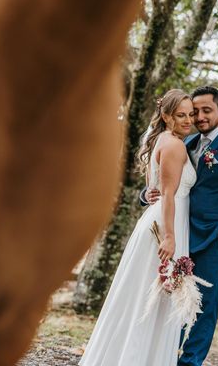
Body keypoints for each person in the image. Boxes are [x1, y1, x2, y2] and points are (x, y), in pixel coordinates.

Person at [79, 89, 196, 366]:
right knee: (149, 302)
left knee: (144, 300)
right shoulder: (175, 146)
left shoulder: (161, 140)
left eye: (190, 114)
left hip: (158, 220)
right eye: (181, 115)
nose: (188, 120)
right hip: (166, 227)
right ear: (166, 116)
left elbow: (152, 189)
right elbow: (168, 194)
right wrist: (169, 237)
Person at [145, 86, 218, 366]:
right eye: (196, 111)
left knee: (204, 307)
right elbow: (169, 182)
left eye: (207, 110)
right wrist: (146, 194)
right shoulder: (189, 142)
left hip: (213, 240)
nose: (200, 116)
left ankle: (189, 362)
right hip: (183, 234)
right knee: (178, 300)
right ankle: (166, 358)